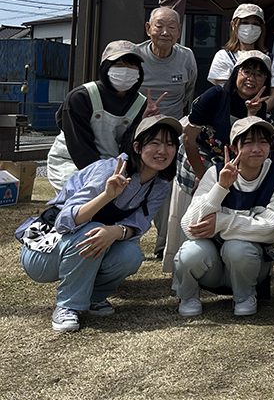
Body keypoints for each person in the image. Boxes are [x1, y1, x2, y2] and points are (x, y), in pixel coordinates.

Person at [17, 115, 181, 332]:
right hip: (44, 252)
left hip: (85, 242)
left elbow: (139, 224)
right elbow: (65, 222)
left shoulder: (159, 186)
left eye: (170, 144)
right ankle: (67, 306)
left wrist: (115, 231)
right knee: (92, 231)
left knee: (131, 255)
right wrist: (106, 195)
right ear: (137, 147)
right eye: (155, 143)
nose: (163, 151)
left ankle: (94, 296)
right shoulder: (109, 169)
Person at [174, 117, 274, 317]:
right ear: (234, 148)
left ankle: (245, 296)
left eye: (262, 142)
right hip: (212, 267)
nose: (256, 148)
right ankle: (188, 295)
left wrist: (222, 222)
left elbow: (272, 228)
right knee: (190, 251)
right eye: (248, 142)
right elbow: (189, 225)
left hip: (251, 265)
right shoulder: (215, 173)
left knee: (237, 246)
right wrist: (220, 188)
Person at [166, 51, 271, 272]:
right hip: (197, 156)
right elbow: (188, 137)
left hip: (228, 165)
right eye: (247, 71)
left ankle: (221, 267)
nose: (252, 78)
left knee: (221, 212)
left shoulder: (259, 106)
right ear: (236, 73)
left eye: (260, 75)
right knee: (189, 214)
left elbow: (249, 145)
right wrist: (200, 174)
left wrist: (252, 114)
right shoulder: (215, 95)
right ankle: (181, 270)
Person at [136, 6, 198, 263]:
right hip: (137, 129)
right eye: (159, 26)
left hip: (171, 131)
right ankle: (126, 238)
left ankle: (163, 244)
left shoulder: (186, 57)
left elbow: (189, 94)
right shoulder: (135, 55)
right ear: (148, 28)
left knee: (168, 186)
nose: (165, 32)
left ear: (180, 32)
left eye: (172, 27)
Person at [46, 40, 149, 193]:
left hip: (113, 166)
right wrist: (101, 176)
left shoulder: (141, 104)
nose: (126, 71)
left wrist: (145, 123)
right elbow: (79, 146)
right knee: (79, 206)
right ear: (106, 67)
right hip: (71, 162)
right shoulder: (81, 97)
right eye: (119, 65)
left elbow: (129, 147)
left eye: (132, 66)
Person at [208, 3, 274, 114]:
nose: (250, 28)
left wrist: (255, 114)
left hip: (259, 121)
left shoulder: (272, 59)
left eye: (255, 24)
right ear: (233, 25)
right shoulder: (223, 56)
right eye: (245, 23)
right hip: (230, 119)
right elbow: (223, 92)